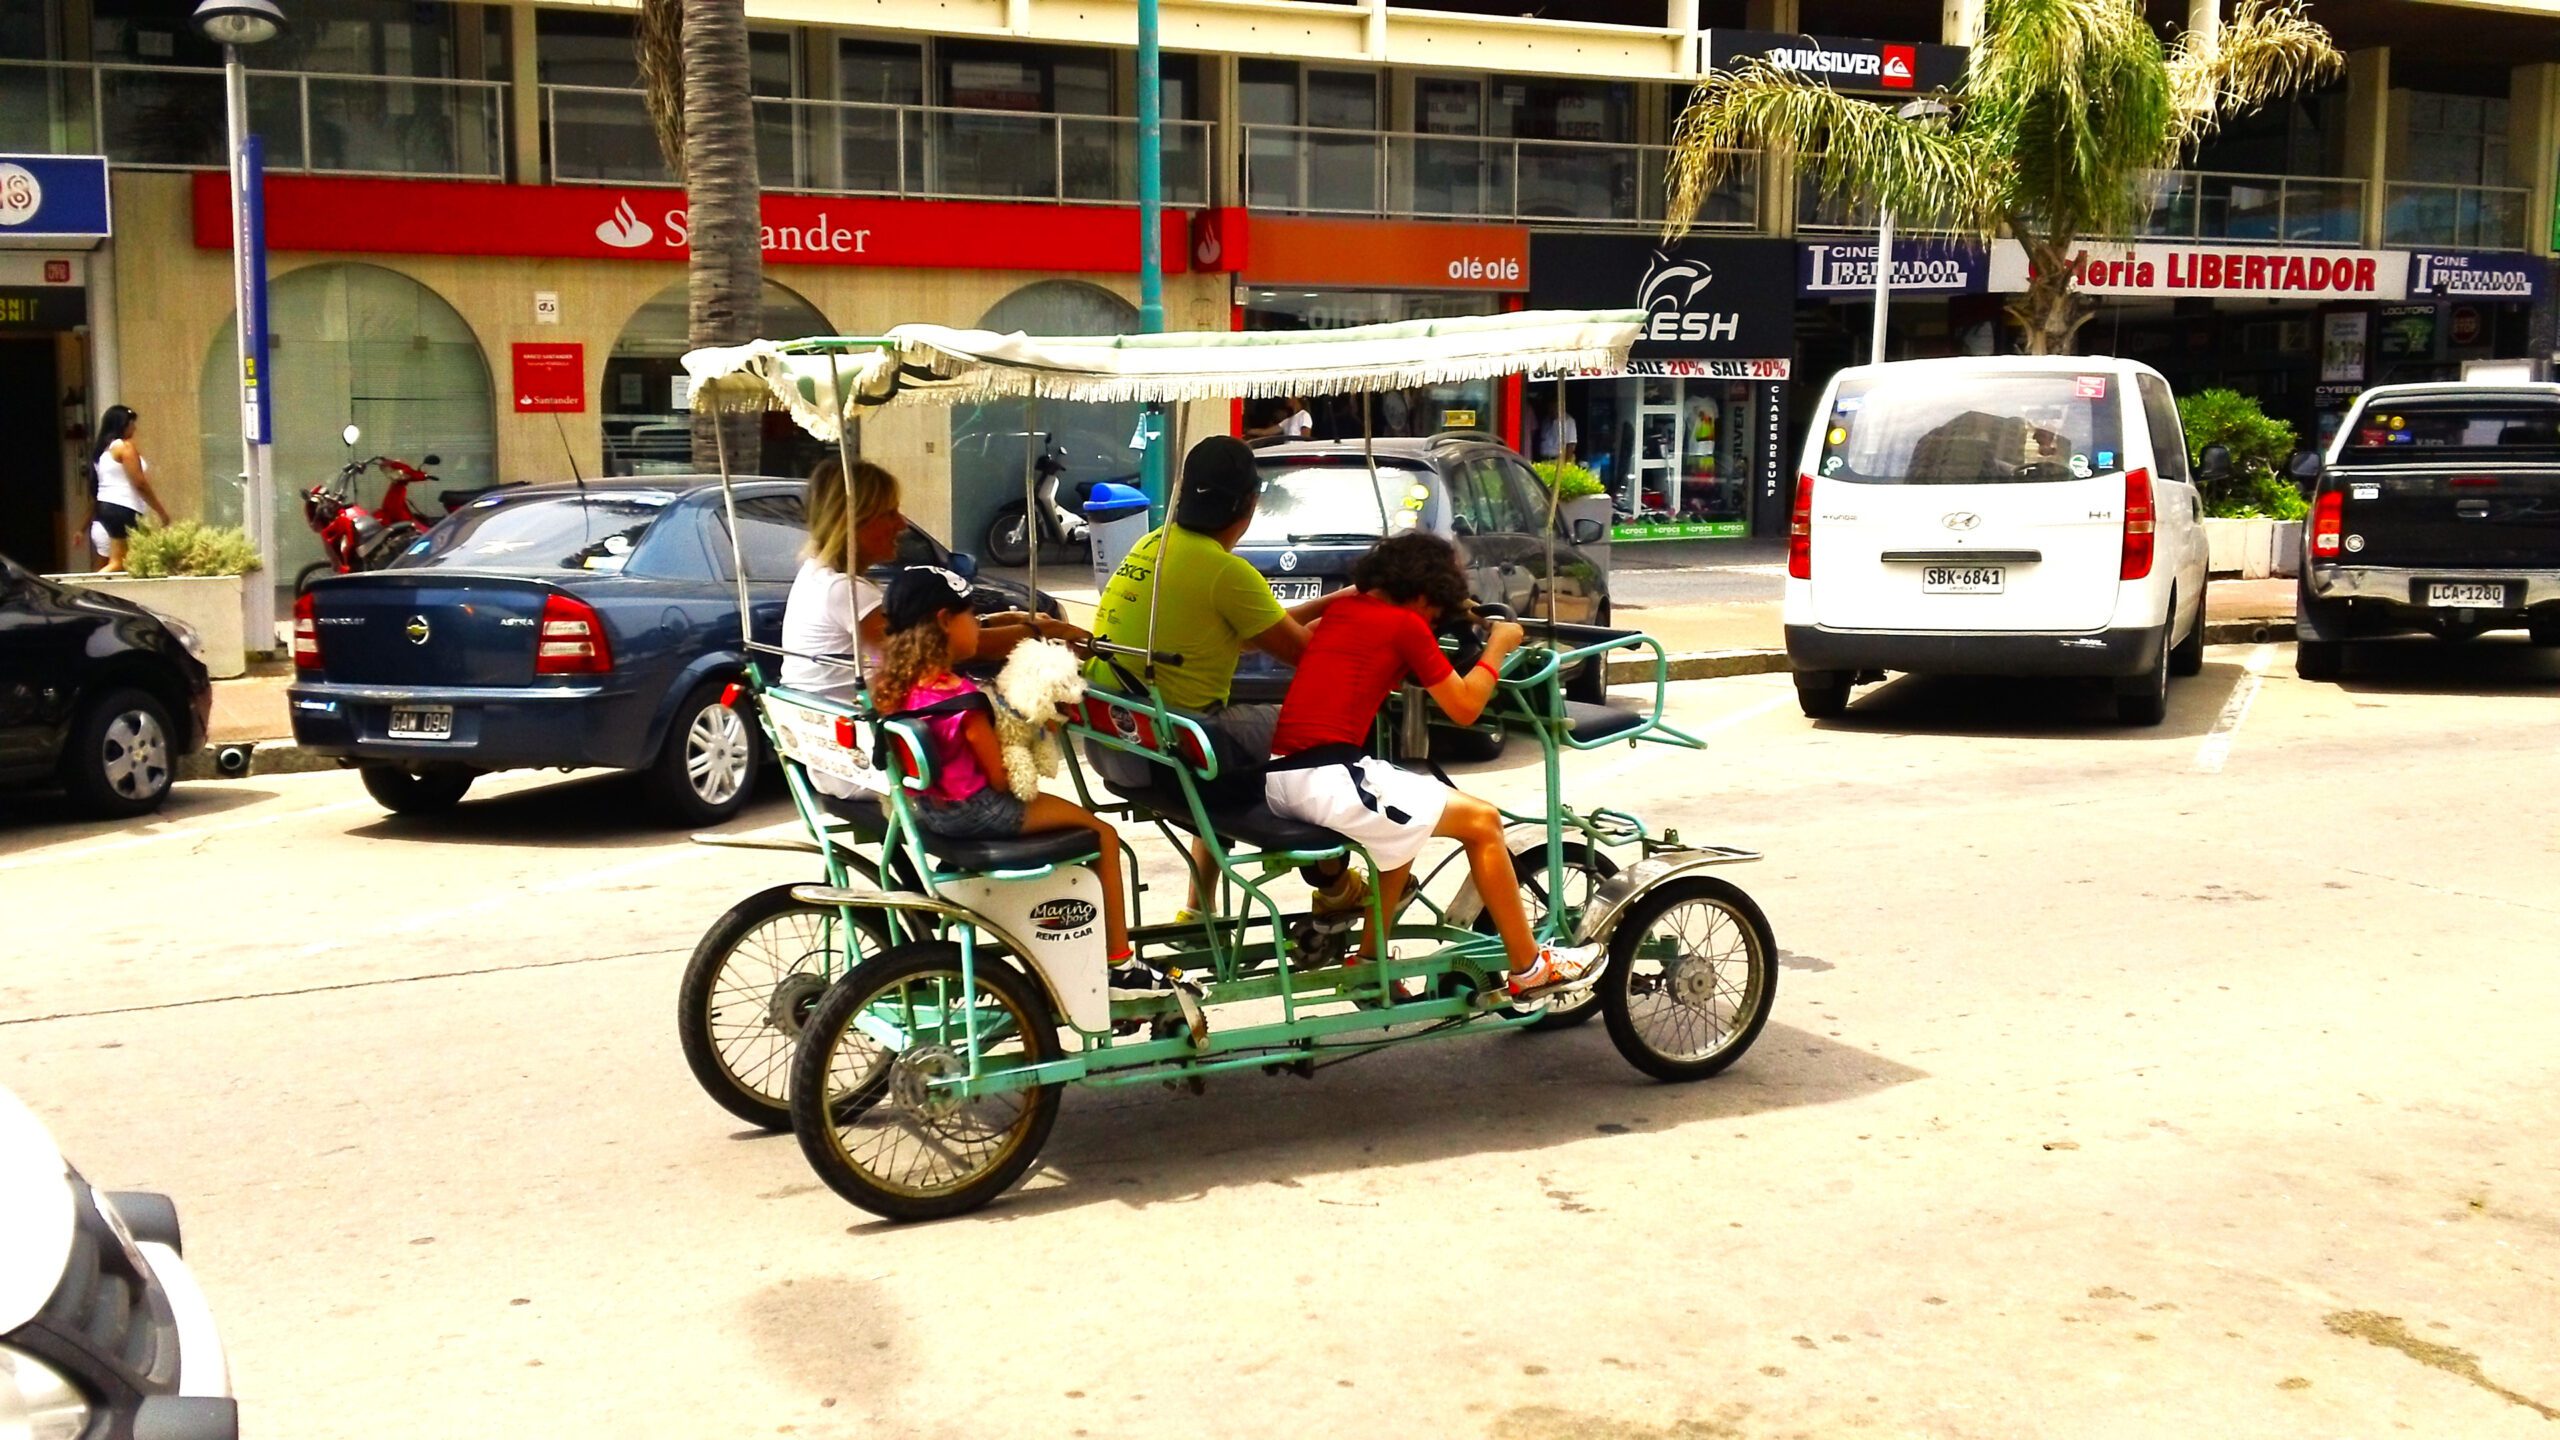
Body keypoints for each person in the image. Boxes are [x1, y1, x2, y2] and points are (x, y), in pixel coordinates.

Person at [1262, 531, 1601, 1001]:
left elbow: (1283, 624)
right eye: (1434, 609)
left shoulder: (1343, 610)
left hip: (1285, 773)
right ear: (1423, 593)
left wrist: (1342, 595)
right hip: (1325, 778)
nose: (1433, 619)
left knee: (1407, 823)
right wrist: (1498, 646)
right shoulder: (1406, 625)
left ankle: (1369, 964)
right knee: (1482, 821)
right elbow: (1464, 708)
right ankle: (1530, 967)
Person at [1081, 435, 1354, 915]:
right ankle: (1332, 883)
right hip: (1178, 749)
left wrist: (1338, 600)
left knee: (1220, 734)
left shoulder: (1154, 544)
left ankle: (1198, 908)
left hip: (1120, 740)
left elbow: (1249, 634)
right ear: (1251, 503)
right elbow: (1309, 656)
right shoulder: (1225, 572)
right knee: (1332, 734)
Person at [781, 456, 1084, 807]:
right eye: (889, 514)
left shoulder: (816, 577)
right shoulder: (845, 592)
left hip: (836, 753)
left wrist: (1009, 622)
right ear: (855, 522)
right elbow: (944, 648)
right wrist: (1038, 630)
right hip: (863, 763)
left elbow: (932, 632)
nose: (902, 525)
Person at [870, 565, 1132, 967]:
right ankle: (1119, 960)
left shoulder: (895, 688)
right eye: (972, 616)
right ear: (944, 621)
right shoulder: (962, 698)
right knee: (1104, 833)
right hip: (980, 812)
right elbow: (1000, 779)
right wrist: (1040, 733)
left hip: (928, 813)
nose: (977, 626)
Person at [87, 406, 169, 573]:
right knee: (119, 563)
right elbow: (140, 483)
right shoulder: (125, 448)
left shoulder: (104, 450)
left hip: (107, 507)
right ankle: (89, 590)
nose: (135, 428)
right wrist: (161, 512)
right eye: (131, 423)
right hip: (123, 507)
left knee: (122, 562)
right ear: (122, 425)